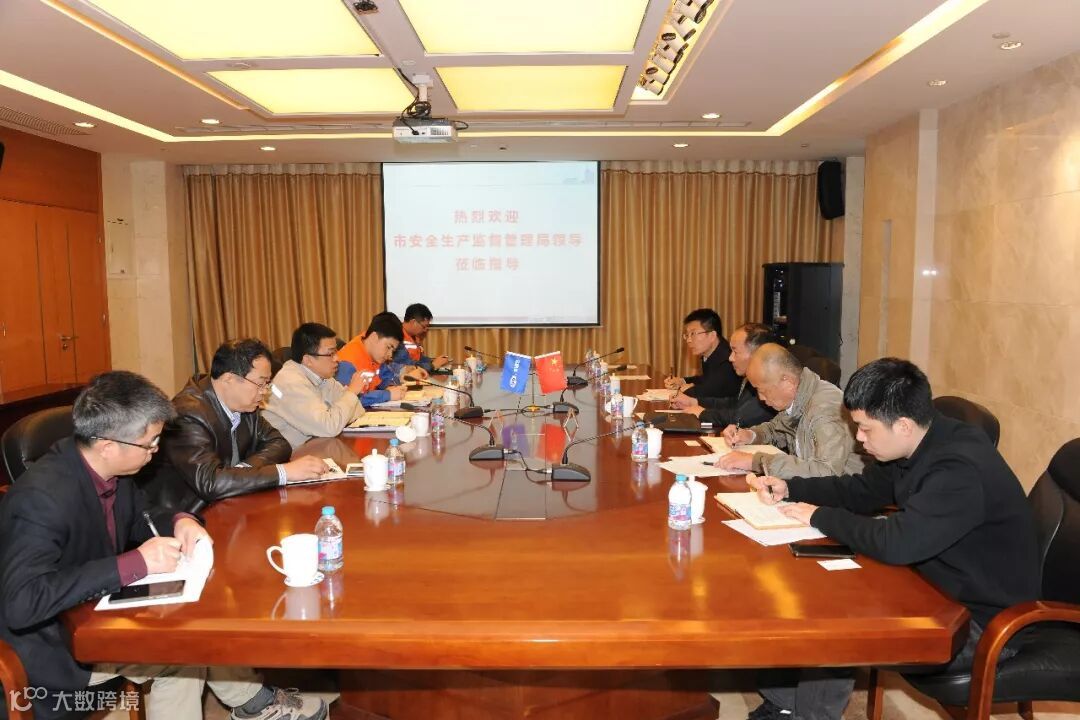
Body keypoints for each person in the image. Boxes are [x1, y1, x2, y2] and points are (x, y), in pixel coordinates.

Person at [0, 371, 326, 720]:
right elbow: (23, 603)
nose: (156, 452)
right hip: (55, 647)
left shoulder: (107, 468)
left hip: (97, 607)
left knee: (198, 619)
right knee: (180, 649)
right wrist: (134, 563)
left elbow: (141, 514)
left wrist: (180, 521)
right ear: (109, 446)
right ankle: (252, 703)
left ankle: (251, 703)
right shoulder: (39, 499)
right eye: (150, 443)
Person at [744, 358, 1040, 720]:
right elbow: (862, 491)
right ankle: (783, 702)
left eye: (865, 429)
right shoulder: (915, 442)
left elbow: (898, 543)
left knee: (839, 624)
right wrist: (792, 488)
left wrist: (819, 516)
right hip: (935, 584)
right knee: (810, 589)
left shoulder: (959, 469)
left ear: (903, 425)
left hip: (982, 622)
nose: (859, 438)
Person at [142, 339, 330, 514]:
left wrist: (242, 471)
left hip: (230, 502)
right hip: (188, 516)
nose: (264, 392)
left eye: (267, 384)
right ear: (229, 379)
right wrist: (283, 472)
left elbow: (279, 444)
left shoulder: (244, 404)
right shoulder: (188, 413)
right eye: (260, 383)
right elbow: (210, 483)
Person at [716, 343, 864, 478]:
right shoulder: (800, 397)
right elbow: (776, 429)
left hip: (848, 494)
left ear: (787, 381)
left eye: (762, 390)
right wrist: (750, 435)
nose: (760, 398)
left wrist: (756, 462)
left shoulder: (824, 411)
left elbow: (826, 472)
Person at [263, 322, 366, 449]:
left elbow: (357, 411)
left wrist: (338, 415)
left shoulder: (323, 376)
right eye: (330, 354)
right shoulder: (290, 383)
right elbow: (330, 427)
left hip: (317, 447)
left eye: (336, 352)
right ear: (308, 360)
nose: (337, 358)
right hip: (289, 455)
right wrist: (351, 392)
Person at [671, 322, 777, 428]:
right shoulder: (750, 379)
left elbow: (740, 418)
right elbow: (734, 403)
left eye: (735, 352)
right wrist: (694, 402)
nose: (730, 358)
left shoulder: (771, 384)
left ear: (757, 354)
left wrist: (702, 413)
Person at [335, 312, 408, 409]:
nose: (390, 355)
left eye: (393, 350)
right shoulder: (347, 363)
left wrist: (392, 386)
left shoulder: (375, 355)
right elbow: (348, 400)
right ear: (374, 337)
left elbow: (385, 378)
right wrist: (387, 395)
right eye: (388, 347)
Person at [663, 308, 741, 399]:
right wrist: (682, 381)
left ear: (712, 335)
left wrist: (686, 388)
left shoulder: (727, 359)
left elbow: (709, 391)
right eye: (687, 335)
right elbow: (706, 379)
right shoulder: (712, 353)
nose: (688, 340)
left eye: (693, 334)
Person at [390, 302, 450, 380]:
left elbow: (419, 359)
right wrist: (433, 365)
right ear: (413, 322)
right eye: (424, 326)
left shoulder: (413, 336)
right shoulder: (397, 337)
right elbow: (408, 367)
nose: (425, 330)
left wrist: (433, 361)